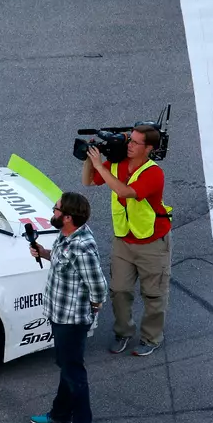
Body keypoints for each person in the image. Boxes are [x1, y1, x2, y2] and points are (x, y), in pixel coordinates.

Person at [82, 124, 172, 356]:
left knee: (153, 294)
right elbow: (88, 182)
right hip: (124, 239)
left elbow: (125, 192)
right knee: (119, 290)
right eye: (129, 140)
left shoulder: (154, 173)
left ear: (148, 148)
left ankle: (151, 338)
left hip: (152, 243)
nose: (128, 145)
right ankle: (123, 332)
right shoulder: (117, 163)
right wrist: (89, 157)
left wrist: (100, 168)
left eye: (134, 142)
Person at [28, 192, 107, 423]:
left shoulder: (82, 246)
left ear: (68, 217)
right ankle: (61, 415)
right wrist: (42, 252)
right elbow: (63, 261)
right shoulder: (66, 235)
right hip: (59, 313)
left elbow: (98, 285)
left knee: (74, 371)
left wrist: (94, 306)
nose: (53, 211)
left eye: (57, 209)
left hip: (72, 319)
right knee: (65, 364)